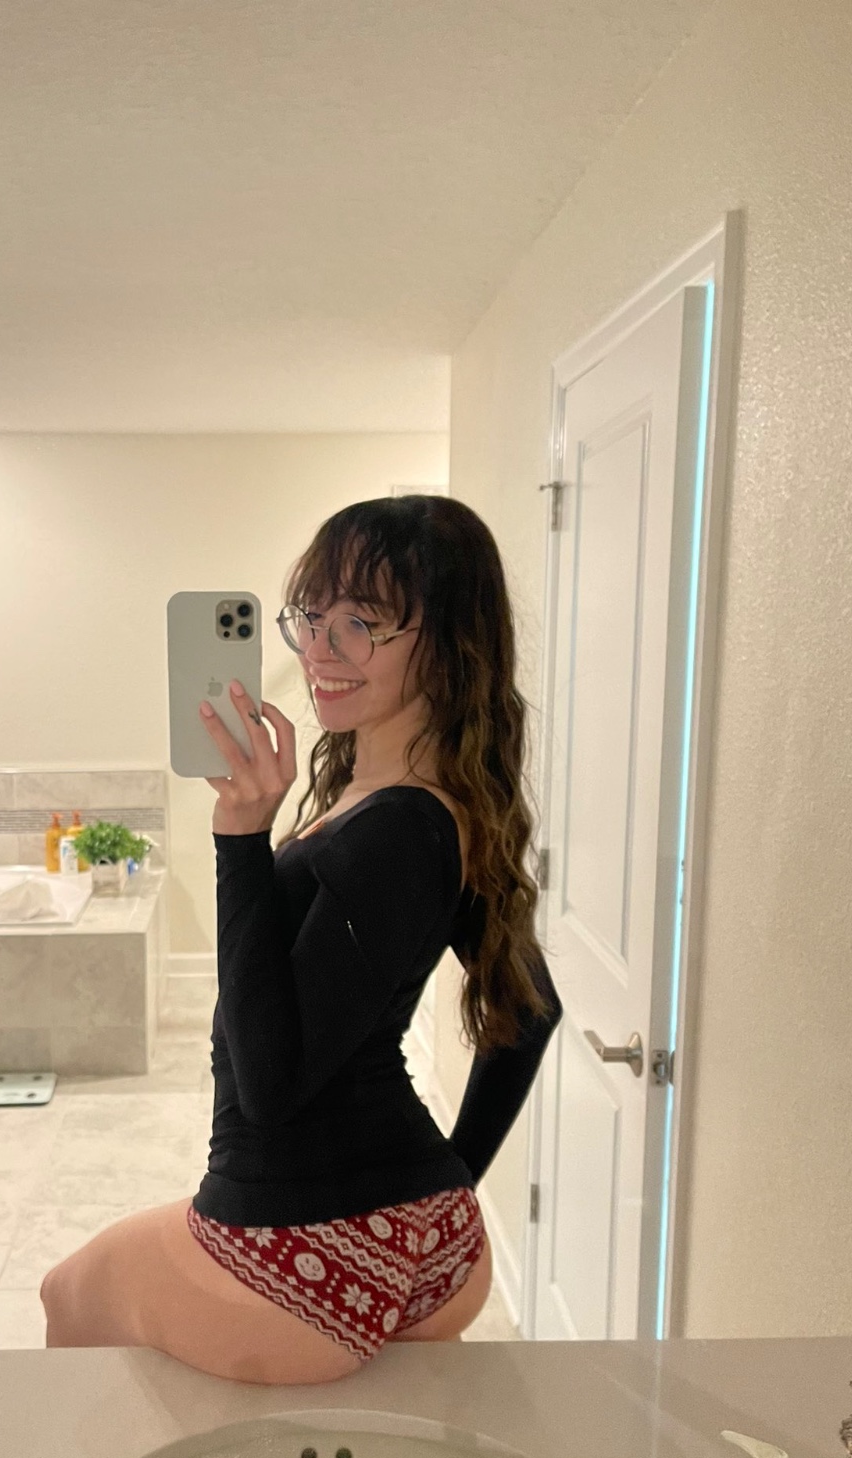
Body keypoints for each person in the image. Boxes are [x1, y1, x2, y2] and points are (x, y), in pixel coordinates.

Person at [41, 494, 562, 1384]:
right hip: (418, 1239)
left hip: (302, 1244)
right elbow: (534, 1005)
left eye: (363, 621)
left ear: (448, 641)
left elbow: (271, 1087)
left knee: (67, 1293)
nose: (322, 649)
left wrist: (241, 839)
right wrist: (445, 1190)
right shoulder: (426, 804)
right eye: (313, 616)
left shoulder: (399, 831)